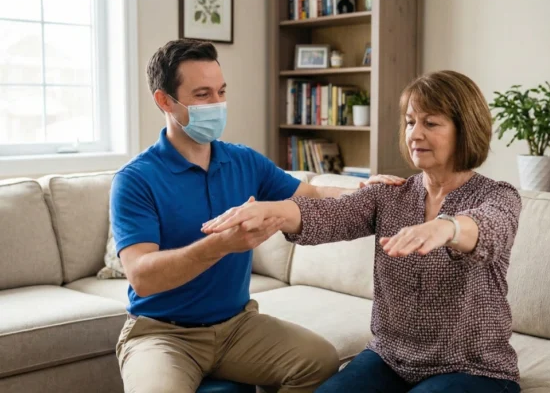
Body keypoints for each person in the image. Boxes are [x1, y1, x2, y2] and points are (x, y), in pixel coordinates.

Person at [110, 38, 402, 393]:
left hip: (237, 327)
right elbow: (142, 277)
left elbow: (312, 194)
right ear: (164, 101)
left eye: (221, 91)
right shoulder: (135, 179)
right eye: (202, 95)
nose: (217, 104)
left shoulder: (243, 161)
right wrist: (220, 245)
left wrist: (364, 190)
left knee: (319, 361)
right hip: (162, 334)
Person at [202, 70, 523, 393]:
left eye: (431, 123)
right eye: (410, 122)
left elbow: (488, 228)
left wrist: (446, 228)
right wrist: (272, 210)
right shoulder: (390, 194)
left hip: (474, 368)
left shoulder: (498, 196)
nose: (415, 134)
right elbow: (331, 214)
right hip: (391, 358)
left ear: (464, 130)